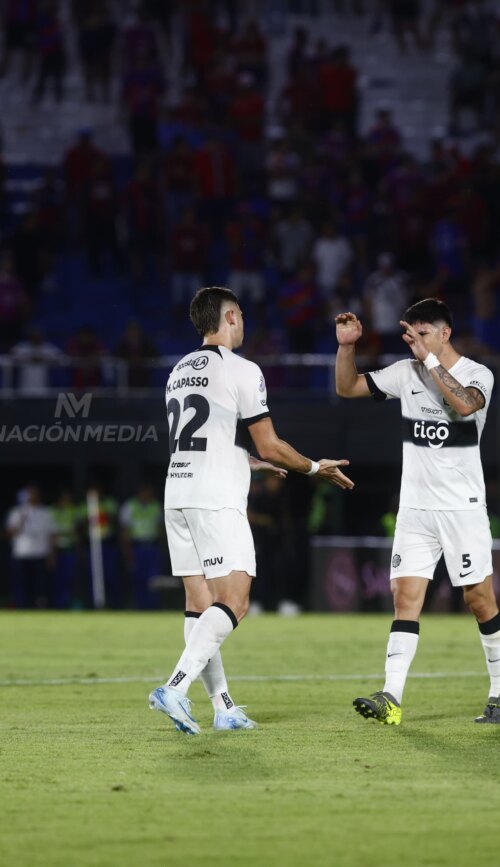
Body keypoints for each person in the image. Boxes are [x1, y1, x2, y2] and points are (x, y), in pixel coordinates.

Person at [149, 286, 354, 735]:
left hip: (177, 492)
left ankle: (223, 708)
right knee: (236, 602)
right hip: (215, 497)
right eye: (239, 315)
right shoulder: (242, 369)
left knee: (199, 606)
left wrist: (251, 460)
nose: (242, 323)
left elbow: (207, 436)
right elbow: (270, 442)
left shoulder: (178, 370)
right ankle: (174, 688)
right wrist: (314, 467)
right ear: (229, 319)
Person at [335, 299, 500, 725]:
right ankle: (391, 697)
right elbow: (348, 387)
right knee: (405, 598)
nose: (415, 342)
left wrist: (429, 358)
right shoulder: (405, 372)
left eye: (424, 333)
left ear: (445, 333)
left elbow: (466, 406)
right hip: (415, 510)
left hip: (461, 509)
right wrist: (346, 347)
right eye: (411, 334)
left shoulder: (476, 373)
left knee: (479, 599)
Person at [6, 485, 55, 608]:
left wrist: (52, 554)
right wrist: (21, 521)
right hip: (21, 554)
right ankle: (22, 607)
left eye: (34, 494)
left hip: (40, 553)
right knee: (21, 584)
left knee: (40, 584)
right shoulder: (16, 512)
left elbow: (51, 534)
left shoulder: (45, 512)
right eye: (28, 494)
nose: (31, 497)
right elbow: (10, 533)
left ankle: (39, 608)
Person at [120, 483, 164, 610]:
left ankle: (154, 607)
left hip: (152, 547)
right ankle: (140, 607)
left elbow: (161, 529)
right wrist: (127, 554)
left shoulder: (155, 506)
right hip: (137, 547)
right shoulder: (129, 506)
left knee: (154, 579)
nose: (146, 495)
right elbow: (124, 531)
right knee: (138, 579)